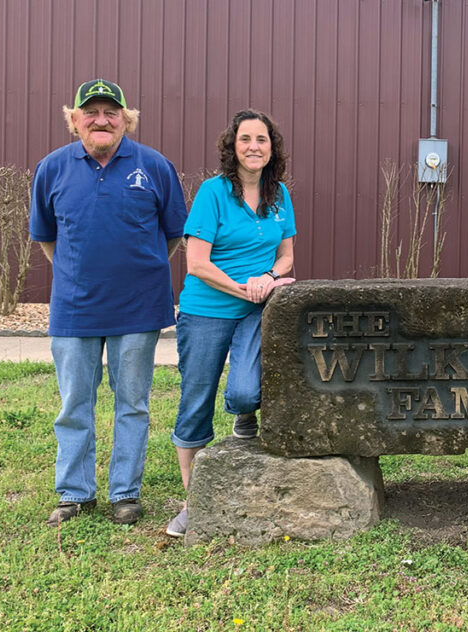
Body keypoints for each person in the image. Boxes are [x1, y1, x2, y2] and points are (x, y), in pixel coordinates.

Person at [30, 79, 187, 526]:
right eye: (91, 112)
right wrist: (77, 273)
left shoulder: (155, 167)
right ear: (74, 119)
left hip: (138, 309)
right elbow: (47, 238)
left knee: (132, 403)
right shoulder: (52, 169)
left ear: (126, 119)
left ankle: (125, 492)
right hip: (73, 310)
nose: (102, 120)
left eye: (111, 112)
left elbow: (173, 234)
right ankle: (74, 493)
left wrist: (136, 270)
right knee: (74, 404)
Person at [165, 110, 296, 538]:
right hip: (207, 310)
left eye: (262, 139)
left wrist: (271, 279)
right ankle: (193, 502)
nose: (254, 146)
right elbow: (197, 263)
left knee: (243, 391)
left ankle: (244, 418)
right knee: (196, 399)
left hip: (257, 309)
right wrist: (245, 288)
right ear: (233, 146)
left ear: (271, 148)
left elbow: (287, 256)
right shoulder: (213, 192)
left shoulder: (280, 197)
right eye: (245, 139)